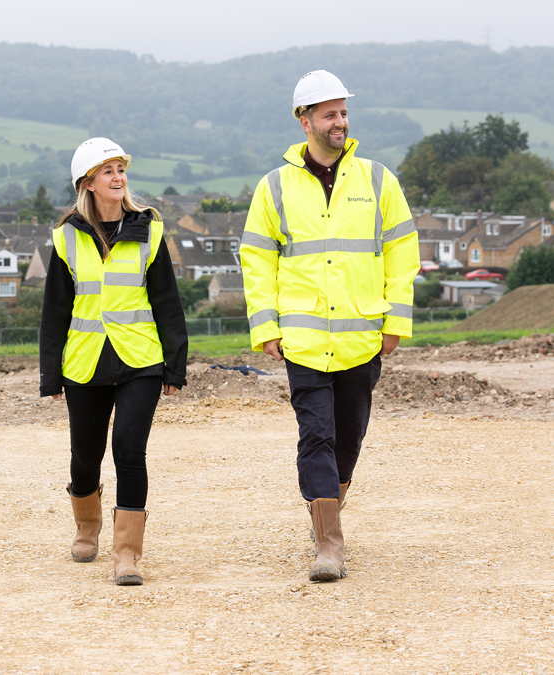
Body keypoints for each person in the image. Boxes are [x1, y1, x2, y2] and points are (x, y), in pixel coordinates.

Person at [240, 71, 420, 582]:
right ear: (305, 122)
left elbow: (403, 254)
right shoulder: (273, 187)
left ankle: (326, 509)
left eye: (342, 112)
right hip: (302, 339)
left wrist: (395, 321)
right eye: (328, 113)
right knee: (315, 434)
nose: (339, 121)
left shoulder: (378, 179)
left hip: (363, 335)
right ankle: (329, 544)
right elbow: (255, 260)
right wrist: (265, 327)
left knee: (349, 436)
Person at [40, 137, 188, 586]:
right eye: (108, 171)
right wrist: (51, 372)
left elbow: (166, 302)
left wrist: (174, 366)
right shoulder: (66, 238)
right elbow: (54, 312)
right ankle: (87, 527)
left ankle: (127, 554)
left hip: (139, 360)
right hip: (84, 363)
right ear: (87, 182)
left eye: (121, 169)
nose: (118, 177)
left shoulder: (150, 231)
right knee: (85, 456)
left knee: (128, 448)